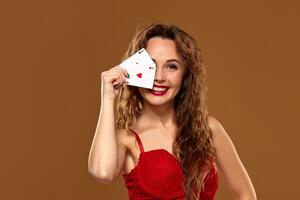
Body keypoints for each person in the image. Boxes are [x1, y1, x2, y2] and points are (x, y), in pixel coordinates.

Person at [88, 22, 257, 200]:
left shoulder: (209, 130)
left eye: (171, 66)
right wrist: (107, 97)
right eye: (151, 66)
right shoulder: (126, 139)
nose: (159, 77)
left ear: (185, 75)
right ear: (135, 69)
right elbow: (101, 172)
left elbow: (246, 194)